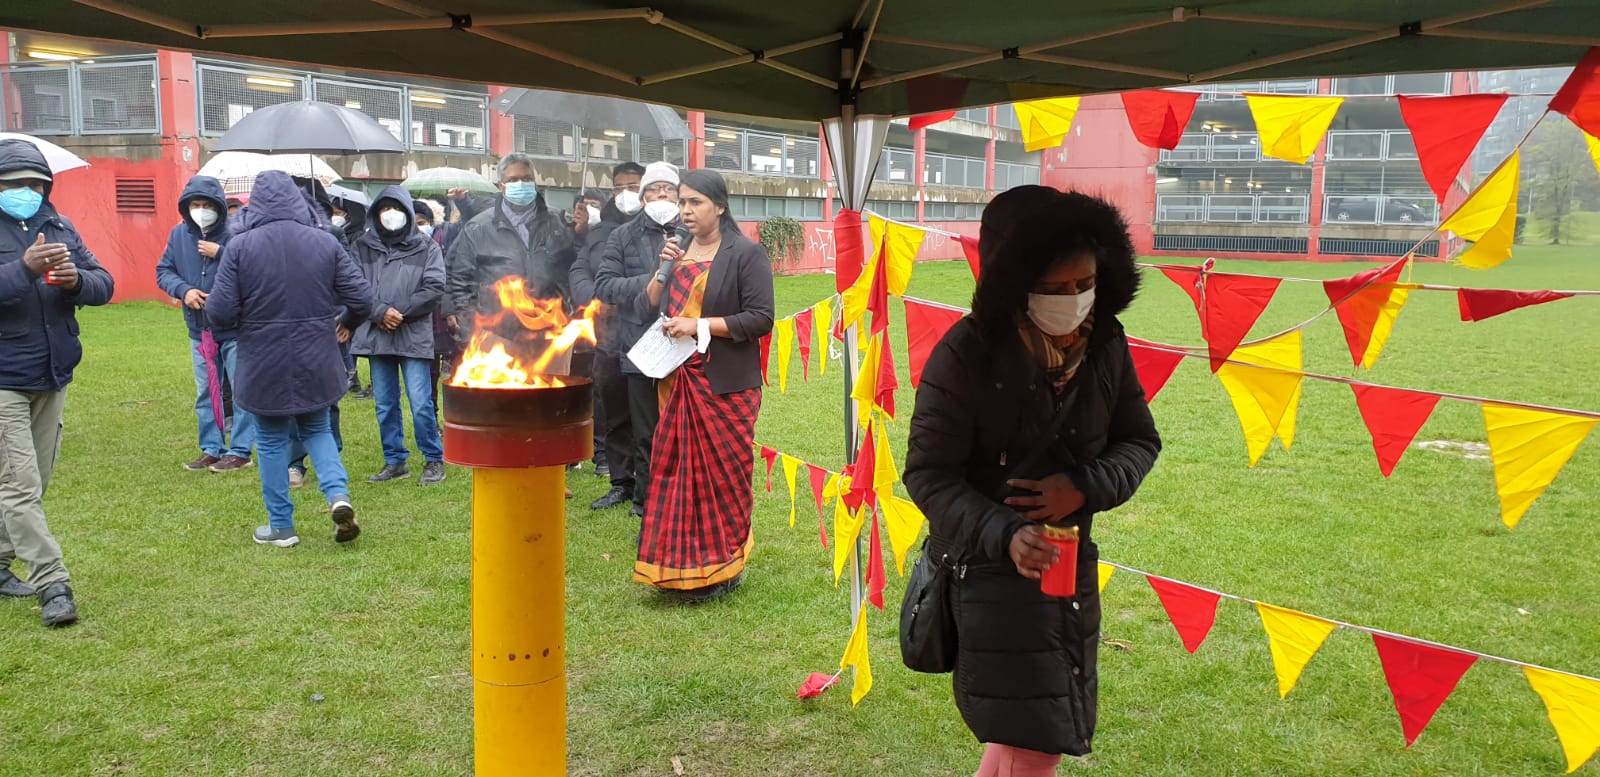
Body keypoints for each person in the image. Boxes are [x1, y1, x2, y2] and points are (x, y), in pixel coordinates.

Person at [901, 187, 1161, 776]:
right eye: (1055, 288)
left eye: (1084, 284)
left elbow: (1140, 441)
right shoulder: (964, 355)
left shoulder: (1106, 341)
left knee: (1026, 735)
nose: (1074, 301)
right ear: (1015, 284)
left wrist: (1084, 485)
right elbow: (928, 475)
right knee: (1036, 741)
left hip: (1070, 571)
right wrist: (1005, 533)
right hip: (989, 579)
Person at [207, 171, 373, 548]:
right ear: (299, 201)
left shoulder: (239, 246)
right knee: (318, 429)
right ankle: (338, 496)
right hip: (317, 352)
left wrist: (242, 325)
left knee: (270, 439)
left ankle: (281, 526)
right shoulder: (325, 241)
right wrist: (346, 322)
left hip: (261, 356)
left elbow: (220, 311)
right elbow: (362, 299)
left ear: (255, 205)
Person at [631, 169, 774, 602]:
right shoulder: (676, 251)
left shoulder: (745, 253)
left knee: (725, 475)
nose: (686, 211)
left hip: (724, 383)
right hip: (675, 379)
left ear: (720, 206)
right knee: (674, 473)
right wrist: (662, 270)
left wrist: (700, 325)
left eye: (695, 202)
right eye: (682, 202)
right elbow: (645, 307)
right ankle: (677, 567)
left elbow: (760, 319)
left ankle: (724, 567)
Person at [0, 138, 115, 626]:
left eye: (35, 184)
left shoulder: (60, 226)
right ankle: (53, 583)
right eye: (14, 184)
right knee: (20, 484)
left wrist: (76, 282)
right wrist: (23, 269)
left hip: (51, 373)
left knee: (34, 481)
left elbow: (104, 283)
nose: (26, 192)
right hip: (4, 378)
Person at [156, 174, 258, 473]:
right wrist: (184, 290)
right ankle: (212, 447)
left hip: (235, 328)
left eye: (207, 205)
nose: (201, 210)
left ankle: (240, 450)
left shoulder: (237, 234)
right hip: (200, 328)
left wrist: (222, 253)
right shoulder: (179, 235)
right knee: (208, 391)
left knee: (241, 390)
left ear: (219, 206)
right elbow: (164, 270)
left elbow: (254, 270)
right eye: (195, 205)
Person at [595, 161, 679, 517]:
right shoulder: (622, 236)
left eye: (669, 189)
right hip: (639, 344)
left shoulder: (692, 231)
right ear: (643, 196)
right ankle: (644, 500)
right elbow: (605, 285)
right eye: (654, 189)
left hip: (686, 342)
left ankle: (678, 495)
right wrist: (654, 278)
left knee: (681, 426)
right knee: (645, 429)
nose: (662, 195)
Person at [348, 186, 447, 486]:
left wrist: (398, 312)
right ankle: (394, 460)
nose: (390, 214)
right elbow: (353, 286)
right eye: (384, 209)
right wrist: (379, 312)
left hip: (412, 334)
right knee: (385, 403)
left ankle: (433, 458)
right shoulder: (362, 246)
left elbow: (434, 287)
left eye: (396, 209)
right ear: (375, 213)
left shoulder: (427, 247)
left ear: (407, 212)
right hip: (377, 335)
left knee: (421, 402)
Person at [447, 152, 577, 347]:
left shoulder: (559, 222)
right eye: (513, 180)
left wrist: (582, 233)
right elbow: (460, 282)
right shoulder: (478, 228)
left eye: (527, 179)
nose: (521, 184)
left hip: (551, 331)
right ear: (501, 186)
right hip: (497, 335)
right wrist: (471, 330)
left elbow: (576, 269)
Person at [575, 162, 643, 510]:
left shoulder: (664, 228)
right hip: (609, 338)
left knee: (647, 416)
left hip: (647, 334)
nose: (625, 193)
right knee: (614, 412)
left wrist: (623, 299)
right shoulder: (599, 231)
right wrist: (596, 301)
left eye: (633, 186)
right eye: (618, 187)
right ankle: (621, 482)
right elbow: (580, 271)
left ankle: (649, 485)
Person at [331, 193, 370, 398]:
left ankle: (351, 374)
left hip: (348, 294)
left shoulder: (357, 236)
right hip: (340, 295)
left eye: (338, 213)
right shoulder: (342, 232)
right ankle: (350, 374)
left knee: (346, 336)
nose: (336, 217)